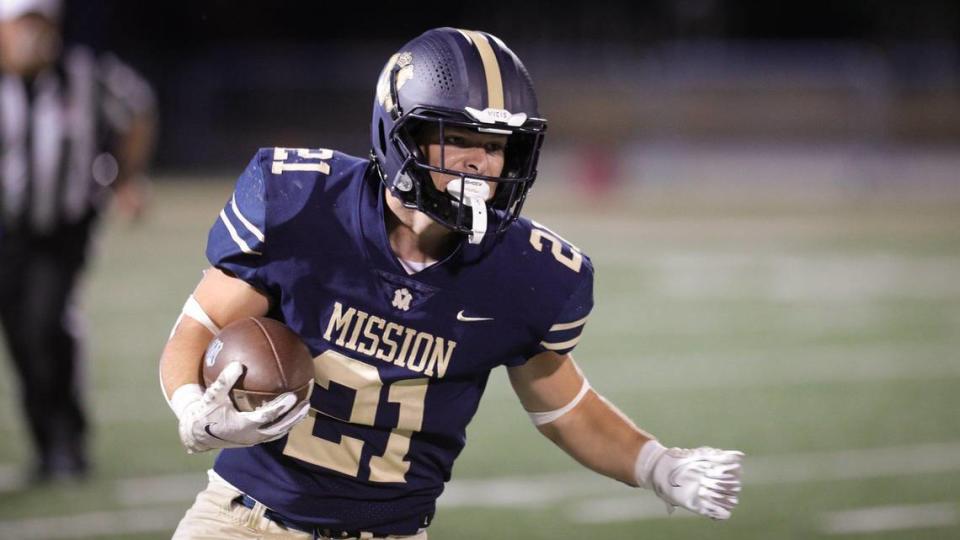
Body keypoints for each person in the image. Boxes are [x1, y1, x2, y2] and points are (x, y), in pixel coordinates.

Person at [160, 27, 742, 539]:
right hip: (245, 521)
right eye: (458, 138)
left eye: (496, 146)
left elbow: (566, 408)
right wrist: (192, 407)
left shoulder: (527, 272)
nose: (480, 163)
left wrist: (657, 466)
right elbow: (201, 326)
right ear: (401, 136)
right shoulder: (304, 204)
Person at [0, 0, 156, 482]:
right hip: (6, 232)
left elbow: (138, 108)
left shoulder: (86, 73)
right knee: (21, 338)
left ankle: (68, 444)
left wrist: (126, 177)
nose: (33, 36)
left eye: (41, 24)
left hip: (63, 227)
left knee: (46, 325)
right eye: (24, 24)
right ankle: (47, 447)